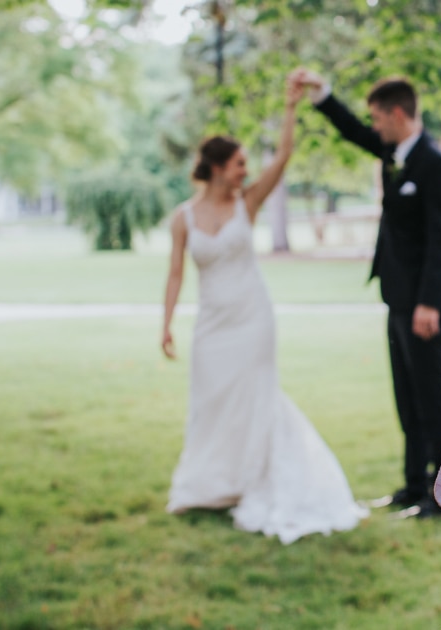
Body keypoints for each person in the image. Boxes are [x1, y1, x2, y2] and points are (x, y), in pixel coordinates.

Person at [160, 71, 368, 543]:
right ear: (215, 167)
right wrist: (167, 324)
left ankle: (251, 479)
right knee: (211, 400)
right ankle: (209, 484)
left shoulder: (247, 204)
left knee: (255, 398)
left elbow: (285, 157)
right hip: (212, 323)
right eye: (237, 164)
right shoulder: (182, 217)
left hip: (252, 317)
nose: (244, 172)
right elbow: (175, 273)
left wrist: (291, 106)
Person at [298, 71, 441, 518]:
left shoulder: (434, 164)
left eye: (378, 118)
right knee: (405, 395)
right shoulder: (393, 153)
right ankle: (411, 486)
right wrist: (322, 96)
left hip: (425, 304)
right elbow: (351, 132)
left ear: (399, 114)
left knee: (430, 396)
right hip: (396, 298)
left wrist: (427, 301)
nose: (374, 127)